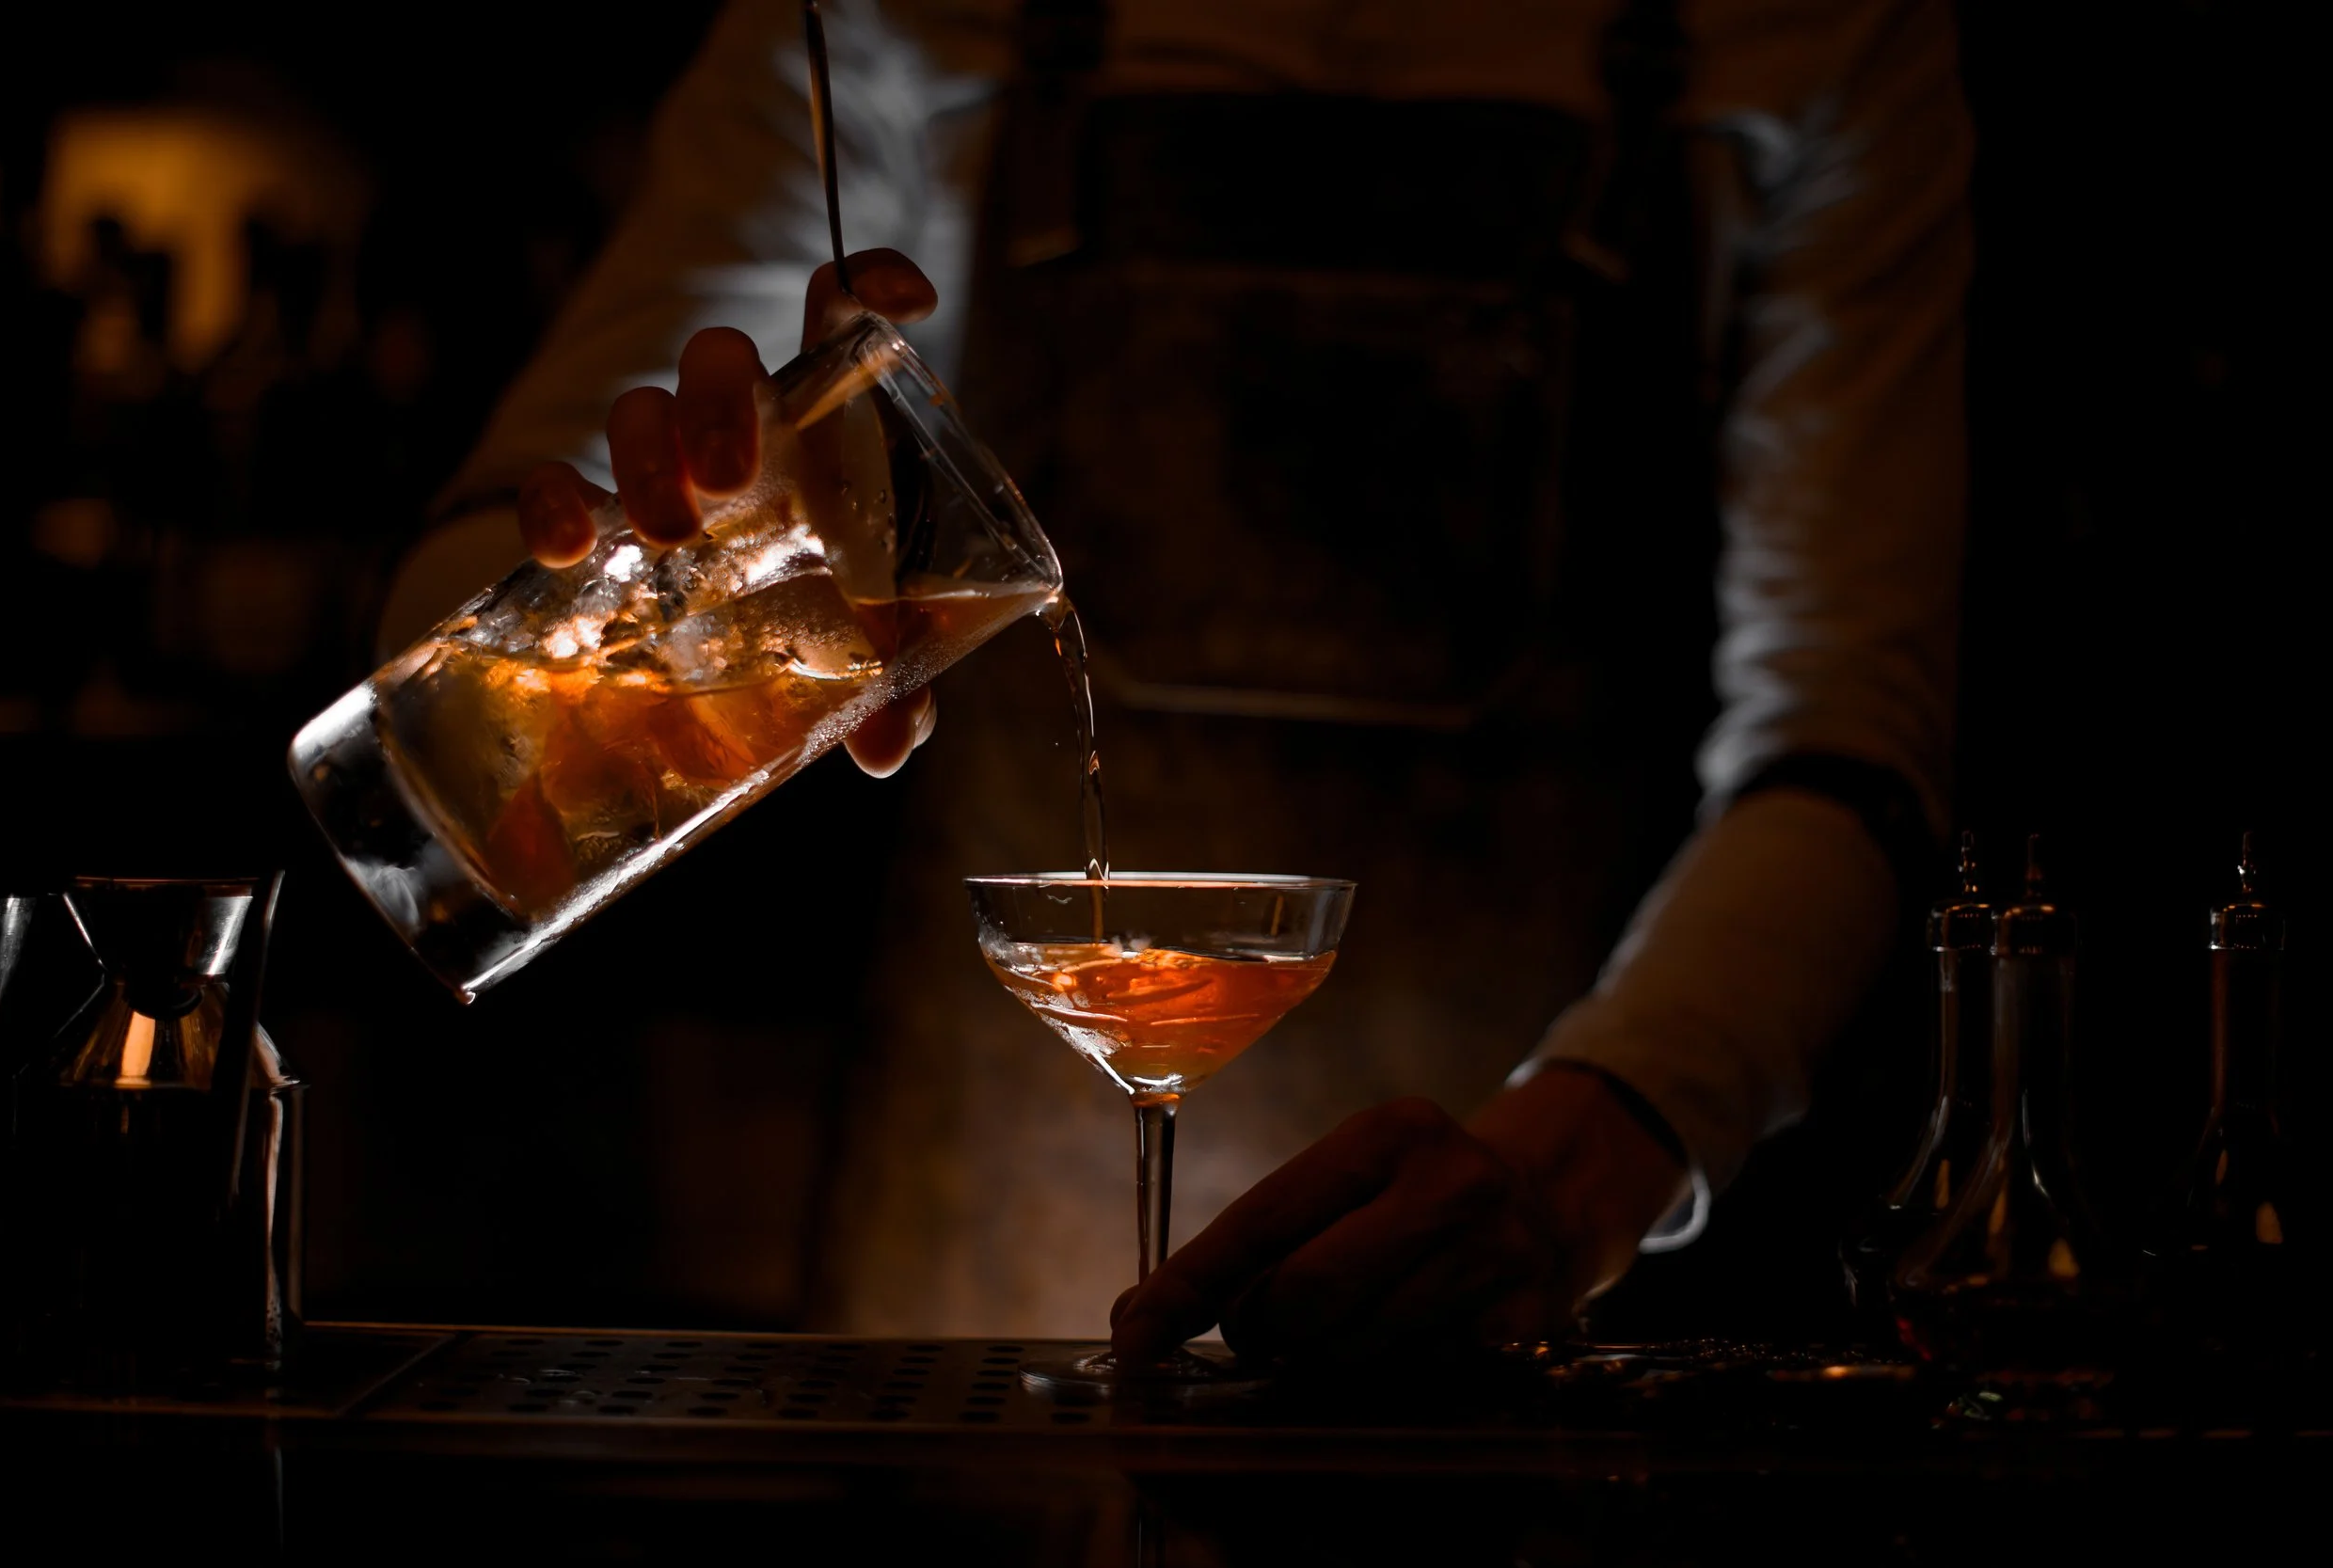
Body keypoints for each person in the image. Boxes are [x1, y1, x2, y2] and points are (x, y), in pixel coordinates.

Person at [382, 0, 1968, 1360]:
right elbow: (457, 601)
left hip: (1532, 1294)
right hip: (966, 1293)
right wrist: (612, 604)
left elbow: (1845, 737)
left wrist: (1569, 1176)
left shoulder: (1807, 32)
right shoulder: (897, 20)